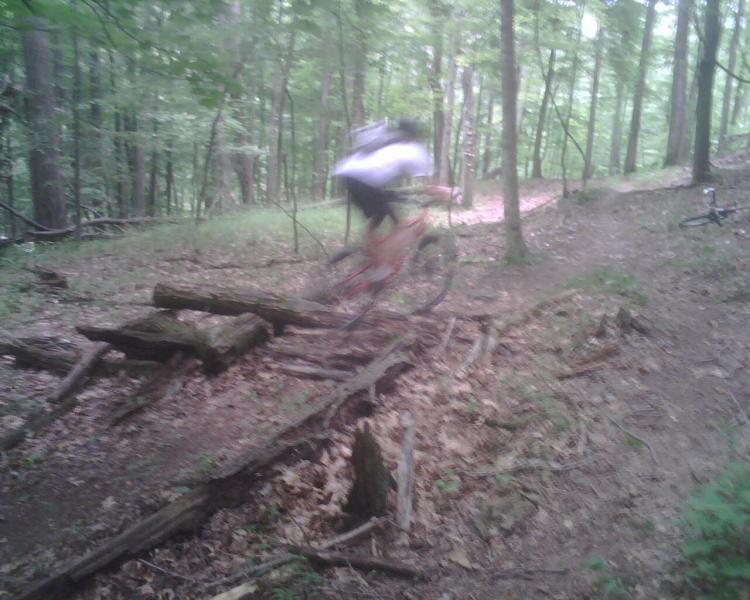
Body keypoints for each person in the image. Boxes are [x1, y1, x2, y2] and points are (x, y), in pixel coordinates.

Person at [333, 119, 438, 244]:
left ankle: (370, 246)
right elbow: (430, 186)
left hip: (348, 174)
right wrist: (449, 193)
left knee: (384, 210)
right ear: (416, 134)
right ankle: (380, 253)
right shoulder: (414, 149)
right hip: (364, 180)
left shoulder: (388, 140)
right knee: (388, 212)